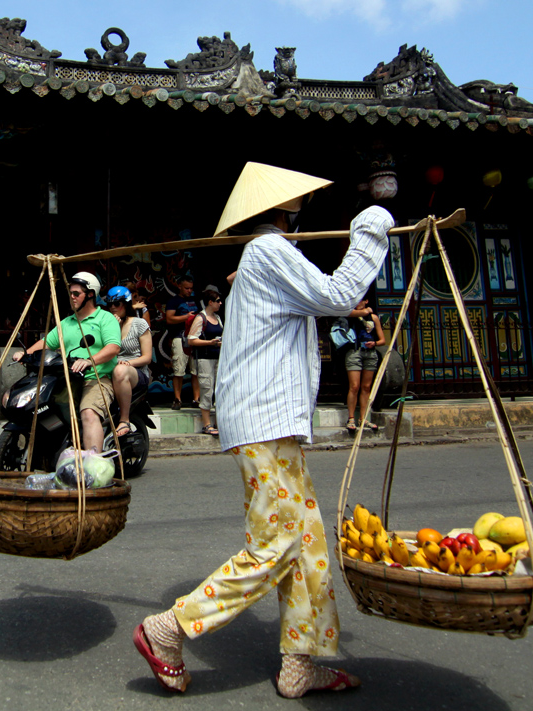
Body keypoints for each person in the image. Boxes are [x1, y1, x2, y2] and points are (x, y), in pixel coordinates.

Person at [134, 161, 392, 698]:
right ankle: (170, 627)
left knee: (306, 541)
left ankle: (303, 659)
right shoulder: (269, 251)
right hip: (262, 418)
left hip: (273, 418)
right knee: (277, 539)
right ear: (287, 209)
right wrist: (371, 226)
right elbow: (339, 295)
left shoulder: (267, 256)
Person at [12, 271, 120, 452]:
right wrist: (26, 353)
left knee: (88, 412)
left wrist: (89, 361)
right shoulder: (67, 322)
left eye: (76, 293)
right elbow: (47, 342)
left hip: (96, 378)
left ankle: (92, 465)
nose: (72, 297)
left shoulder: (105, 319)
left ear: (90, 294)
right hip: (68, 380)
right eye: (70, 293)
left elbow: (113, 348)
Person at [107, 285, 153, 437]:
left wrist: (128, 363)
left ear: (126, 304)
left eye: (117, 303)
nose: (113, 307)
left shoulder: (139, 324)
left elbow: (147, 357)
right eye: (110, 304)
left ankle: (124, 419)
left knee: (120, 371)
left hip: (135, 372)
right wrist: (111, 326)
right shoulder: (106, 325)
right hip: (109, 371)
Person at [340, 298, 385, 431]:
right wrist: (366, 311)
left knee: (366, 387)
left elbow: (382, 340)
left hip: (370, 353)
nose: (357, 302)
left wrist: (375, 343)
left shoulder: (373, 318)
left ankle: (364, 418)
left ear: (366, 300)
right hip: (355, 351)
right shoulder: (351, 313)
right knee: (354, 386)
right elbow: (350, 314)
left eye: (360, 300)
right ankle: (351, 418)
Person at [187, 289, 223, 436]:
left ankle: (218, 422)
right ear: (210, 302)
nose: (220, 303)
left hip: (218, 358)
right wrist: (210, 342)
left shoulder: (218, 318)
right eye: (218, 301)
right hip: (205, 358)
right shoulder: (201, 318)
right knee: (207, 389)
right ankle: (206, 423)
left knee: (219, 390)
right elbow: (191, 339)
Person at [163, 277, 201, 409]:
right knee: (179, 369)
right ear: (179, 286)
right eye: (186, 288)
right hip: (180, 336)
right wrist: (186, 317)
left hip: (195, 337)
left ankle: (196, 399)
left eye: (191, 288)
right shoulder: (174, 301)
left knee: (196, 370)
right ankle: (177, 399)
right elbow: (169, 319)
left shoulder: (195, 300)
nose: (189, 291)